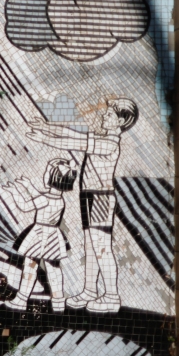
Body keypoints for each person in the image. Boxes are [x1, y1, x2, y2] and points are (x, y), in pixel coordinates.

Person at [27, 98, 137, 314]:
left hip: (100, 198)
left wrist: (44, 138)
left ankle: (111, 296)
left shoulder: (110, 144)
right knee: (90, 246)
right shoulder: (103, 138)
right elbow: (72, 134)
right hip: (88, 196)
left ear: (121, 121)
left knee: (102, 247)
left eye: (109, 114)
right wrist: (46, 127)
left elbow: (74, 143)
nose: (103, 115)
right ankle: (89, 290)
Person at [2, 158, 77, 313]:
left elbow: (25, 206)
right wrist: (28, 186)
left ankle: (22, 299)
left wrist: (14, 191)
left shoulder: (45, 198)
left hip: (39, 234)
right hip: (53, 235)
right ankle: (58, 302)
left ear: (51, 178)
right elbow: (40, 197)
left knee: (30, 267)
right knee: (54, 269)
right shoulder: (59, 199)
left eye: (47, 172)